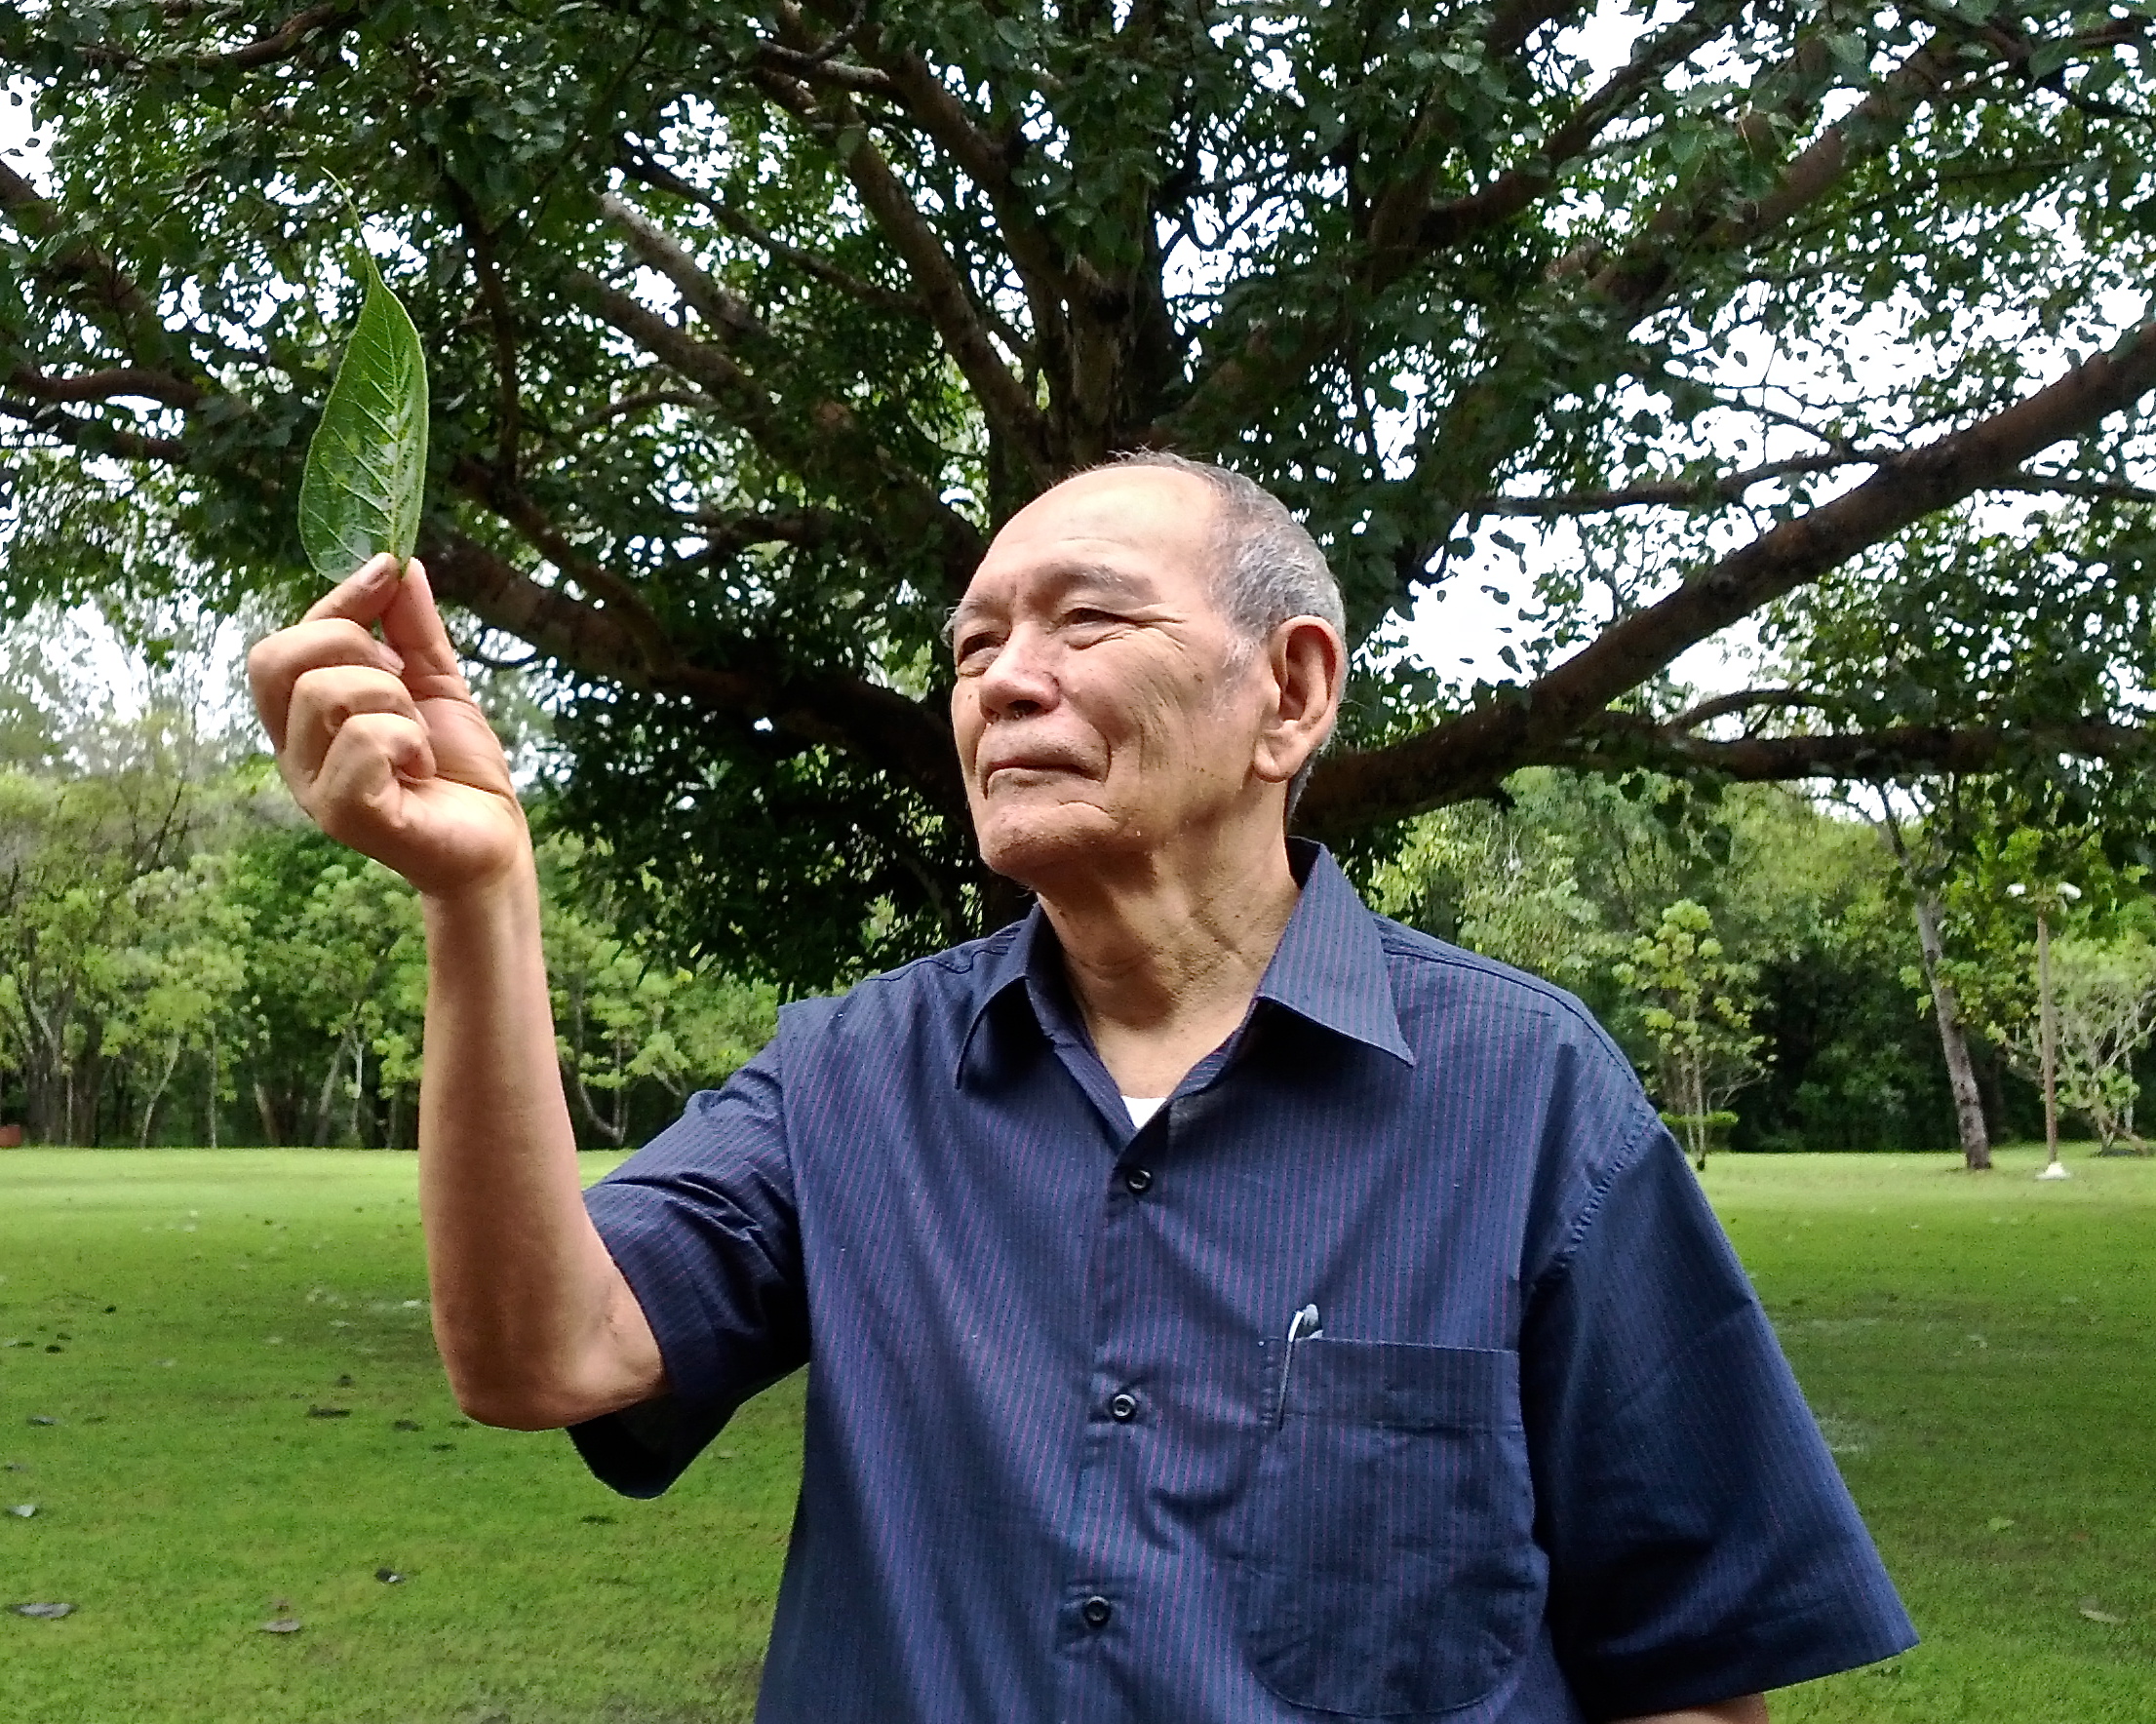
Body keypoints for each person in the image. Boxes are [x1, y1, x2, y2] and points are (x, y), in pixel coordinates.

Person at [249, 454, 1915, 1724]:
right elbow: (551, 1355)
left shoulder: (1526, 1094)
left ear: (1293, 691)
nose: (1003, 681)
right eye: (973, 645)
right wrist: (480, 897)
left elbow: (1690, 1661)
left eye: (1088, 619)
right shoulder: (852, 1075)